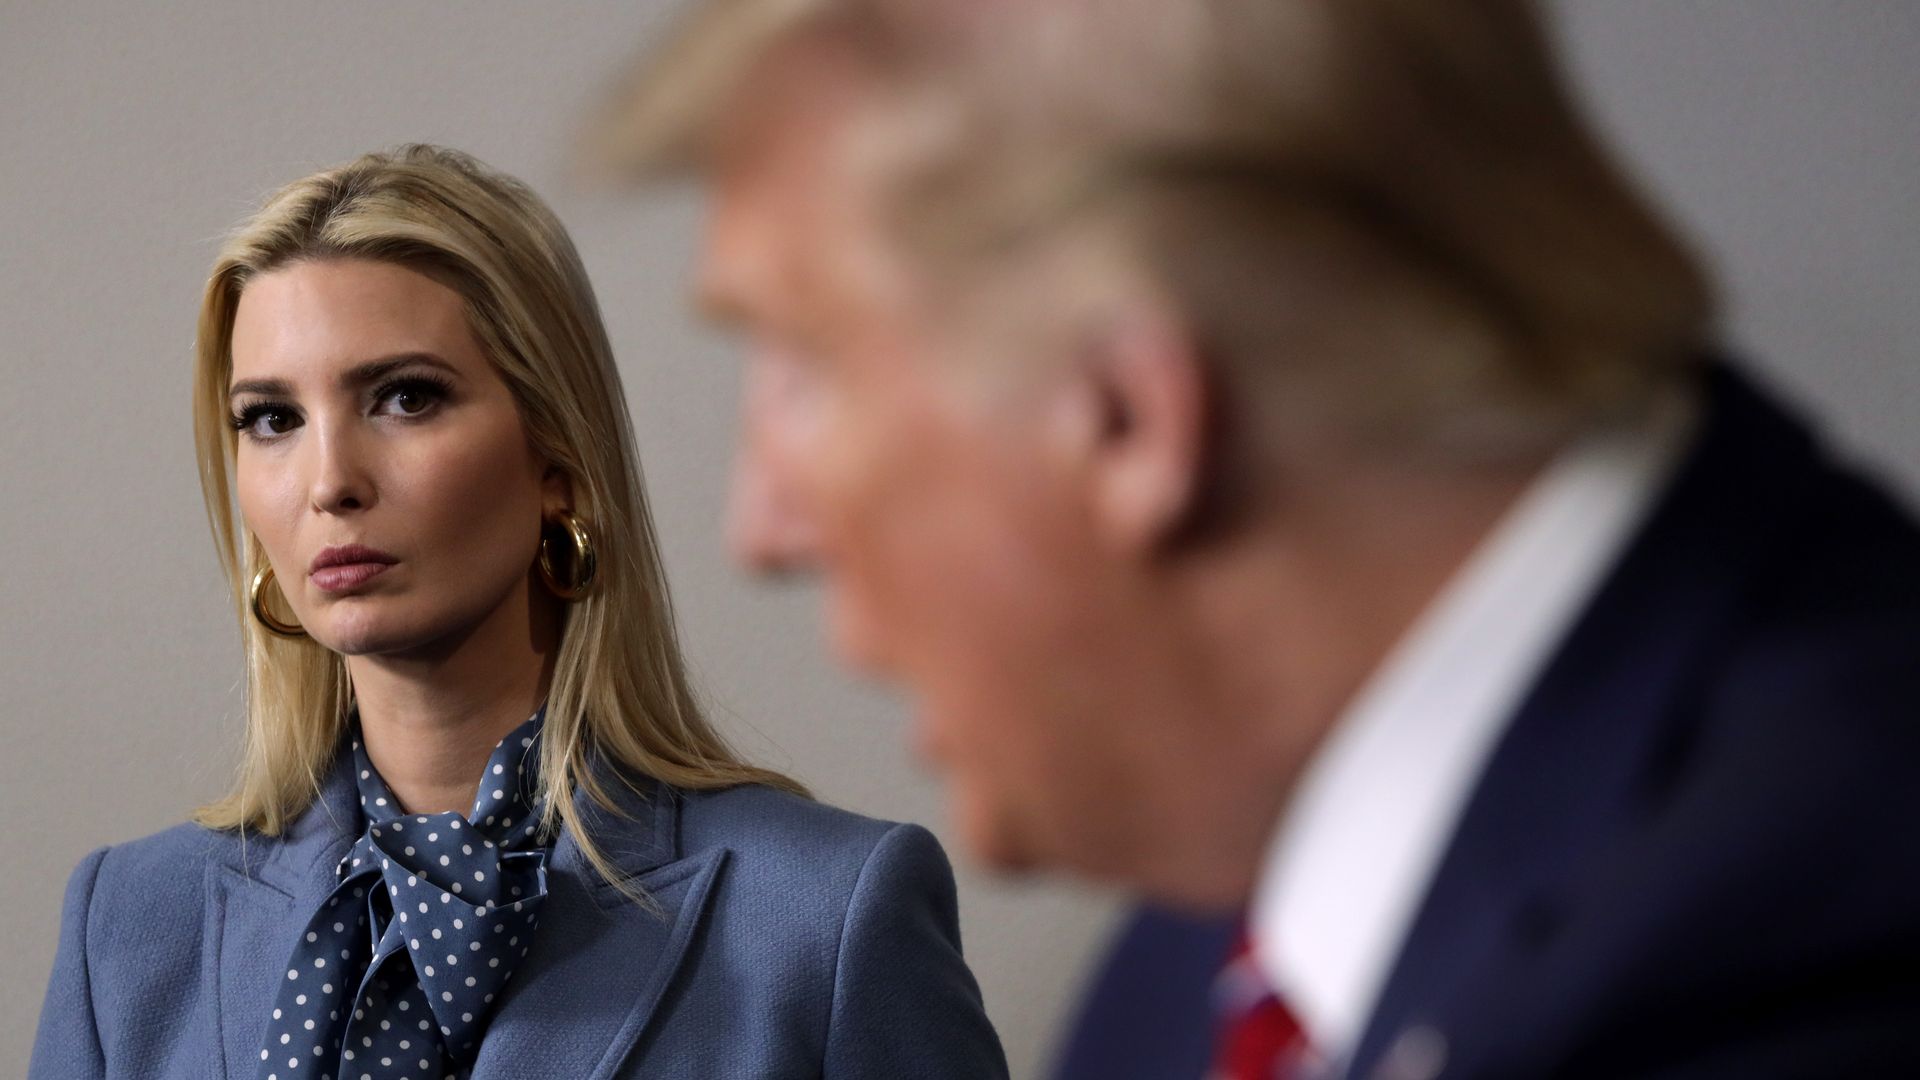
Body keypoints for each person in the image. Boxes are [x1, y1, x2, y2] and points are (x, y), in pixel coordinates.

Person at [592, 1, 1920, 1077]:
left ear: (1124, 417)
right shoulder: (1207, 954)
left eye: (805, 369)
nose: (759, 526)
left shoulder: (1809, 955)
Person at [29, 144, 1007, 1080]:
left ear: (558, 461)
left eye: (405, 397)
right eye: (272, 419)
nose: (329, 481)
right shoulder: (127, 929)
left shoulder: (827, 919)